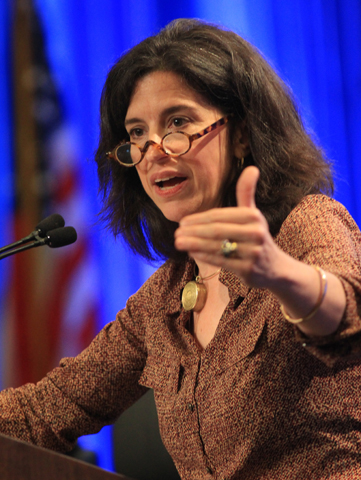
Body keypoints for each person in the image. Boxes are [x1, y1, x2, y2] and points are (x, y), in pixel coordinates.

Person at [1, 18, 361, 480]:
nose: (154, 151)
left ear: (244, 133)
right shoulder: (163, 299)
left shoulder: (306, 224)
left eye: (178, 122)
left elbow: (346, 310)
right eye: (135, 133)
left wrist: (281, 275)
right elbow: (45, 411)